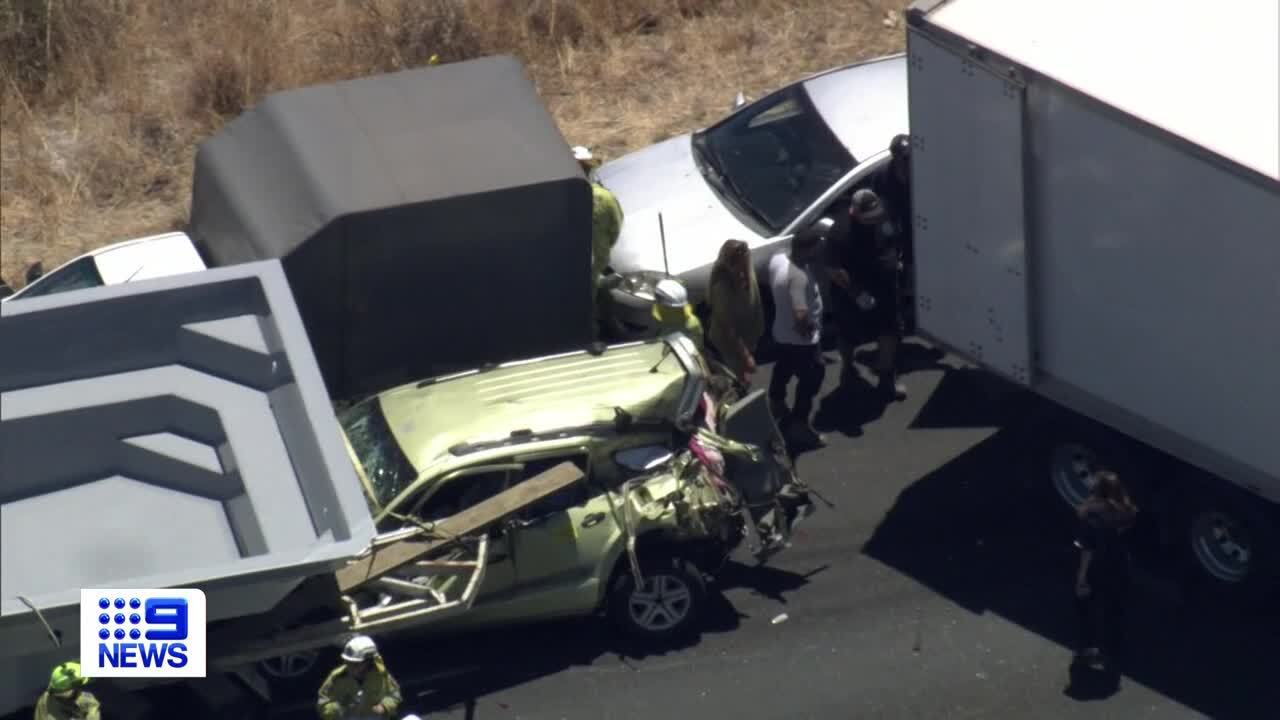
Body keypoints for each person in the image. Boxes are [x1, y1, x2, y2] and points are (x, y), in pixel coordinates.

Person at [840, 188, 908, 401]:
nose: (873, 220)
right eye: (867, 217)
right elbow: (833, 269)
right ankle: (848, 369)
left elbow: (894, 236)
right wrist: (857, 293)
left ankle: (887, 382)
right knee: (849, 335)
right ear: (854, 213)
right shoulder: (842, 231)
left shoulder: (884, 213)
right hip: (856, 295)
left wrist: (898, 258)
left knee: (890, 333)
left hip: (887, 289)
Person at [766, 230, 827, 448]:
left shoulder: (778, 260)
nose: (820, 249)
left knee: (783, 366)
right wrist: (809, 327)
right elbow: (800, 313)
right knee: (813, 377)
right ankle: (799, 424)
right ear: (807, 249)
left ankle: (776, 400)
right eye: (817, 246)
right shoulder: (798, 278)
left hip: (781, 333)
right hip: (802, 342)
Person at [1073, 469, 1138, 671]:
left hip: (1098, 568)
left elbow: (1088, 549)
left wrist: (1081, 576)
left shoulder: (1090, 516)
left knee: (1089, 609)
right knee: (1115, 610)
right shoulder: (1128, 513)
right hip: (1120, 566)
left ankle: (1090, 650)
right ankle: (1113, 650)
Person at [575, 145, 626, 339]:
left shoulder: (558, 195)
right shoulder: (604, 197)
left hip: (577, 268)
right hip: (595, 266)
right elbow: (615, 226)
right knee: (591, 308)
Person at [707, 239, 765, 383]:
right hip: (730, 343)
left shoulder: (745, 273)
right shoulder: (722, 287)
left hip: (747, 334)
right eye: (741, 258)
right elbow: (728, 328)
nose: (747, 260)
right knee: (734, 377)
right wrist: (746, 355)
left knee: (740, 369)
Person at [316, 635, 403, 720]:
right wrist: (338, 708)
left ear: (367, 662)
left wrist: (384, 706)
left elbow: (395, 696)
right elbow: (322, 704)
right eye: (348, 662)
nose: (350, 666)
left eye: (355, 664)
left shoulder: (381, 674)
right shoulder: (337, 677)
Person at [33, 661, 100, 720]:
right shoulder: (49, 710)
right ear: (66, 691)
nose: (79, 691)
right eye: (76, 686)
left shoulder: (47, 697)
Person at [652, 277, 705, 351]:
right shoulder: (667, 319)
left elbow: (694, 350)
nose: (656, 303)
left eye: (659, 300)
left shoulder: (691, 324)